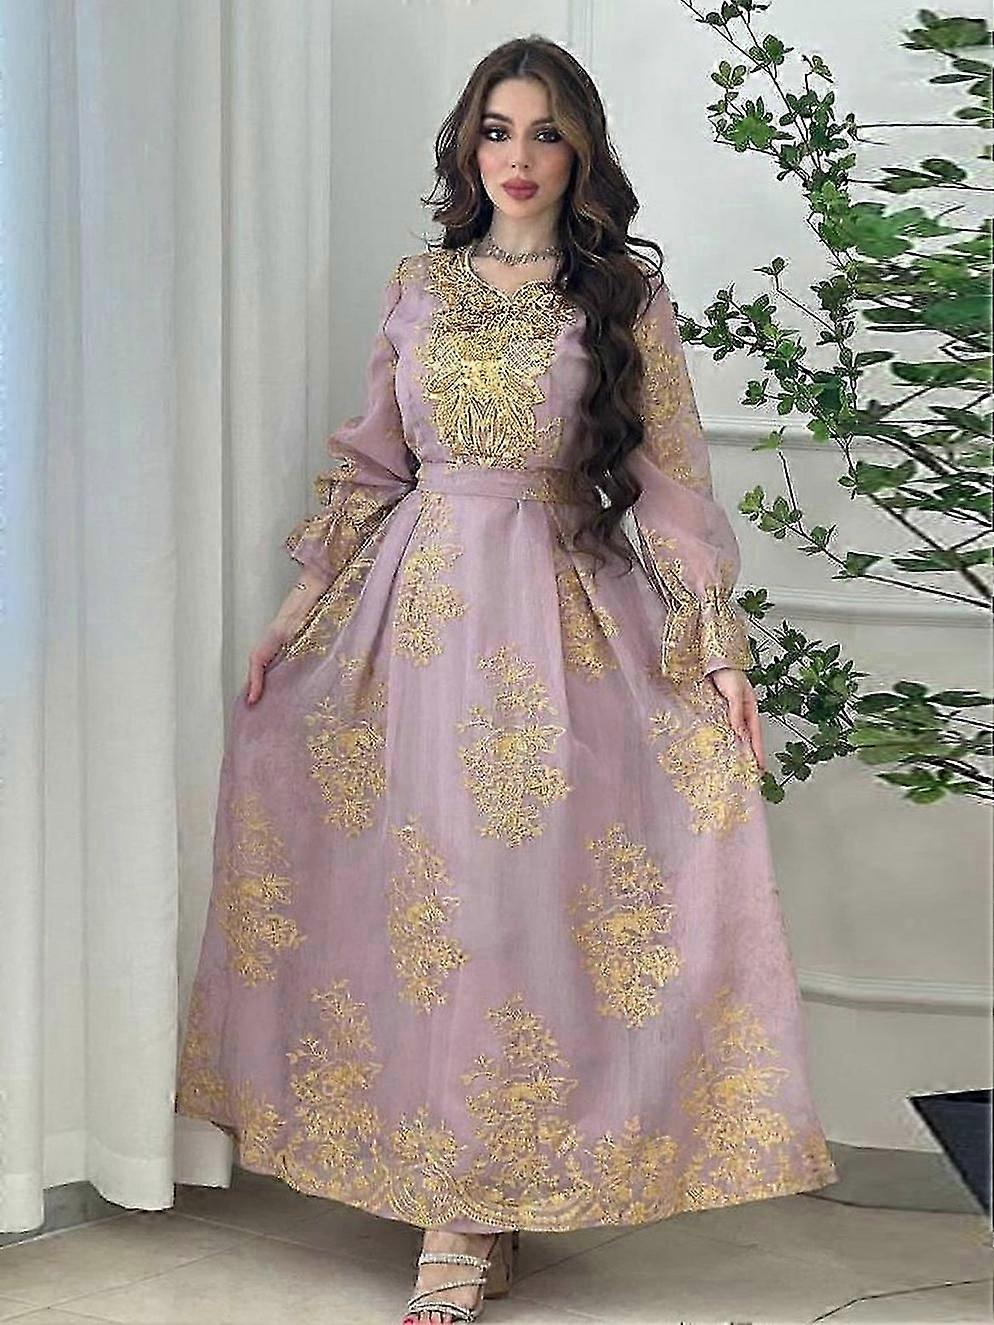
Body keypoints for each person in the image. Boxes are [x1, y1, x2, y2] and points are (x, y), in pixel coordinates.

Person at [174, 33, 838, 1325]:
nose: (517, 157)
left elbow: (672, 483)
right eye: (495, 130)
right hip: (411, 626)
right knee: (422, 909)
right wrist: (293, 613)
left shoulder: (621, 295)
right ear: (465, 146)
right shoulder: (419, 285)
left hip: (555, 624)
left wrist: (715, 648)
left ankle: (471, 1215)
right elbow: (374, 466)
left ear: (579, 151)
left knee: (513, 910)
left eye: (543, 133)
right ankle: (464, 1199)